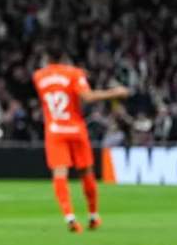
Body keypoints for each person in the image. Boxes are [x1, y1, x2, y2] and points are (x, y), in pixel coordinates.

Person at [32, 47, 130, 233]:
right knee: (86, 172)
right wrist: (114, 92)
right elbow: (88, 97)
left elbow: (53, 83)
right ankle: (93, 216)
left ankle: (70, 218)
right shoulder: (74, 73)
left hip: (54, 130)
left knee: (60, 174)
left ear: (47, 58)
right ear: (65, 57)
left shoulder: (39, 76)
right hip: (75, 129)